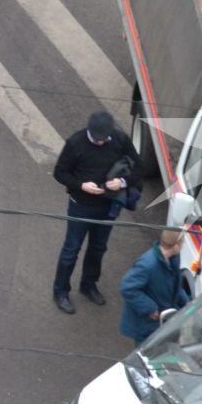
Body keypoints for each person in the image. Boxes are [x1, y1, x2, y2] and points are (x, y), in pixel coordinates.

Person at [52, 110, 137, 314]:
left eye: (104, 139)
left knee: (98, 248)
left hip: (107, 205)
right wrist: (82, 185)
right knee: (71, 250)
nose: (101, 143)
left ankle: (88, 285)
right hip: (80, 205)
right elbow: (60, 173)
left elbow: (137, 167)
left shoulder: (119, 139)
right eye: (97, 139)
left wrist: (122, 181)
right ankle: (60, 291)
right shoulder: (75, 143)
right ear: (89, 131)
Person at [121, 228, 190, 346]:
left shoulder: (173, 259)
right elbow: (127, 287)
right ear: (175, 246)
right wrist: (150, 308)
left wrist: (186, 302)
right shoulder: (148, 264)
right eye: (182, 243)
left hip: (161, 320)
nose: (183, 246)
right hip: (147, 323)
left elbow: (175, 286)